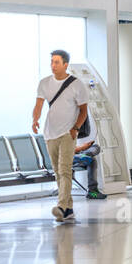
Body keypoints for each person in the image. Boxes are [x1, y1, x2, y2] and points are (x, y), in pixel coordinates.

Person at [31, 49, 89, 224]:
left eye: (56, 62)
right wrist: (35, 119)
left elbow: (83, 111)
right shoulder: (44, 83)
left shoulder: (76, 84)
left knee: (64, 170)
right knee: (58, 172)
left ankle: (61, 206)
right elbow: (39, 105)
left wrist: (75, 128)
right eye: (51, 62)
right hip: (50, 133)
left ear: (65, 64)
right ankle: (69, 209)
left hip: (67, 133)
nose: (53, 65)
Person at [73, 133, 106, 199]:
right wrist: (81, 148)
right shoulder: (55, 136)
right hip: (66, 157)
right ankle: (92, 191)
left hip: (76, 153)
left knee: (96, 147)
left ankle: (84, 155)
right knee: (91, 160)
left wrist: (82, 147)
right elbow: (63, 151)